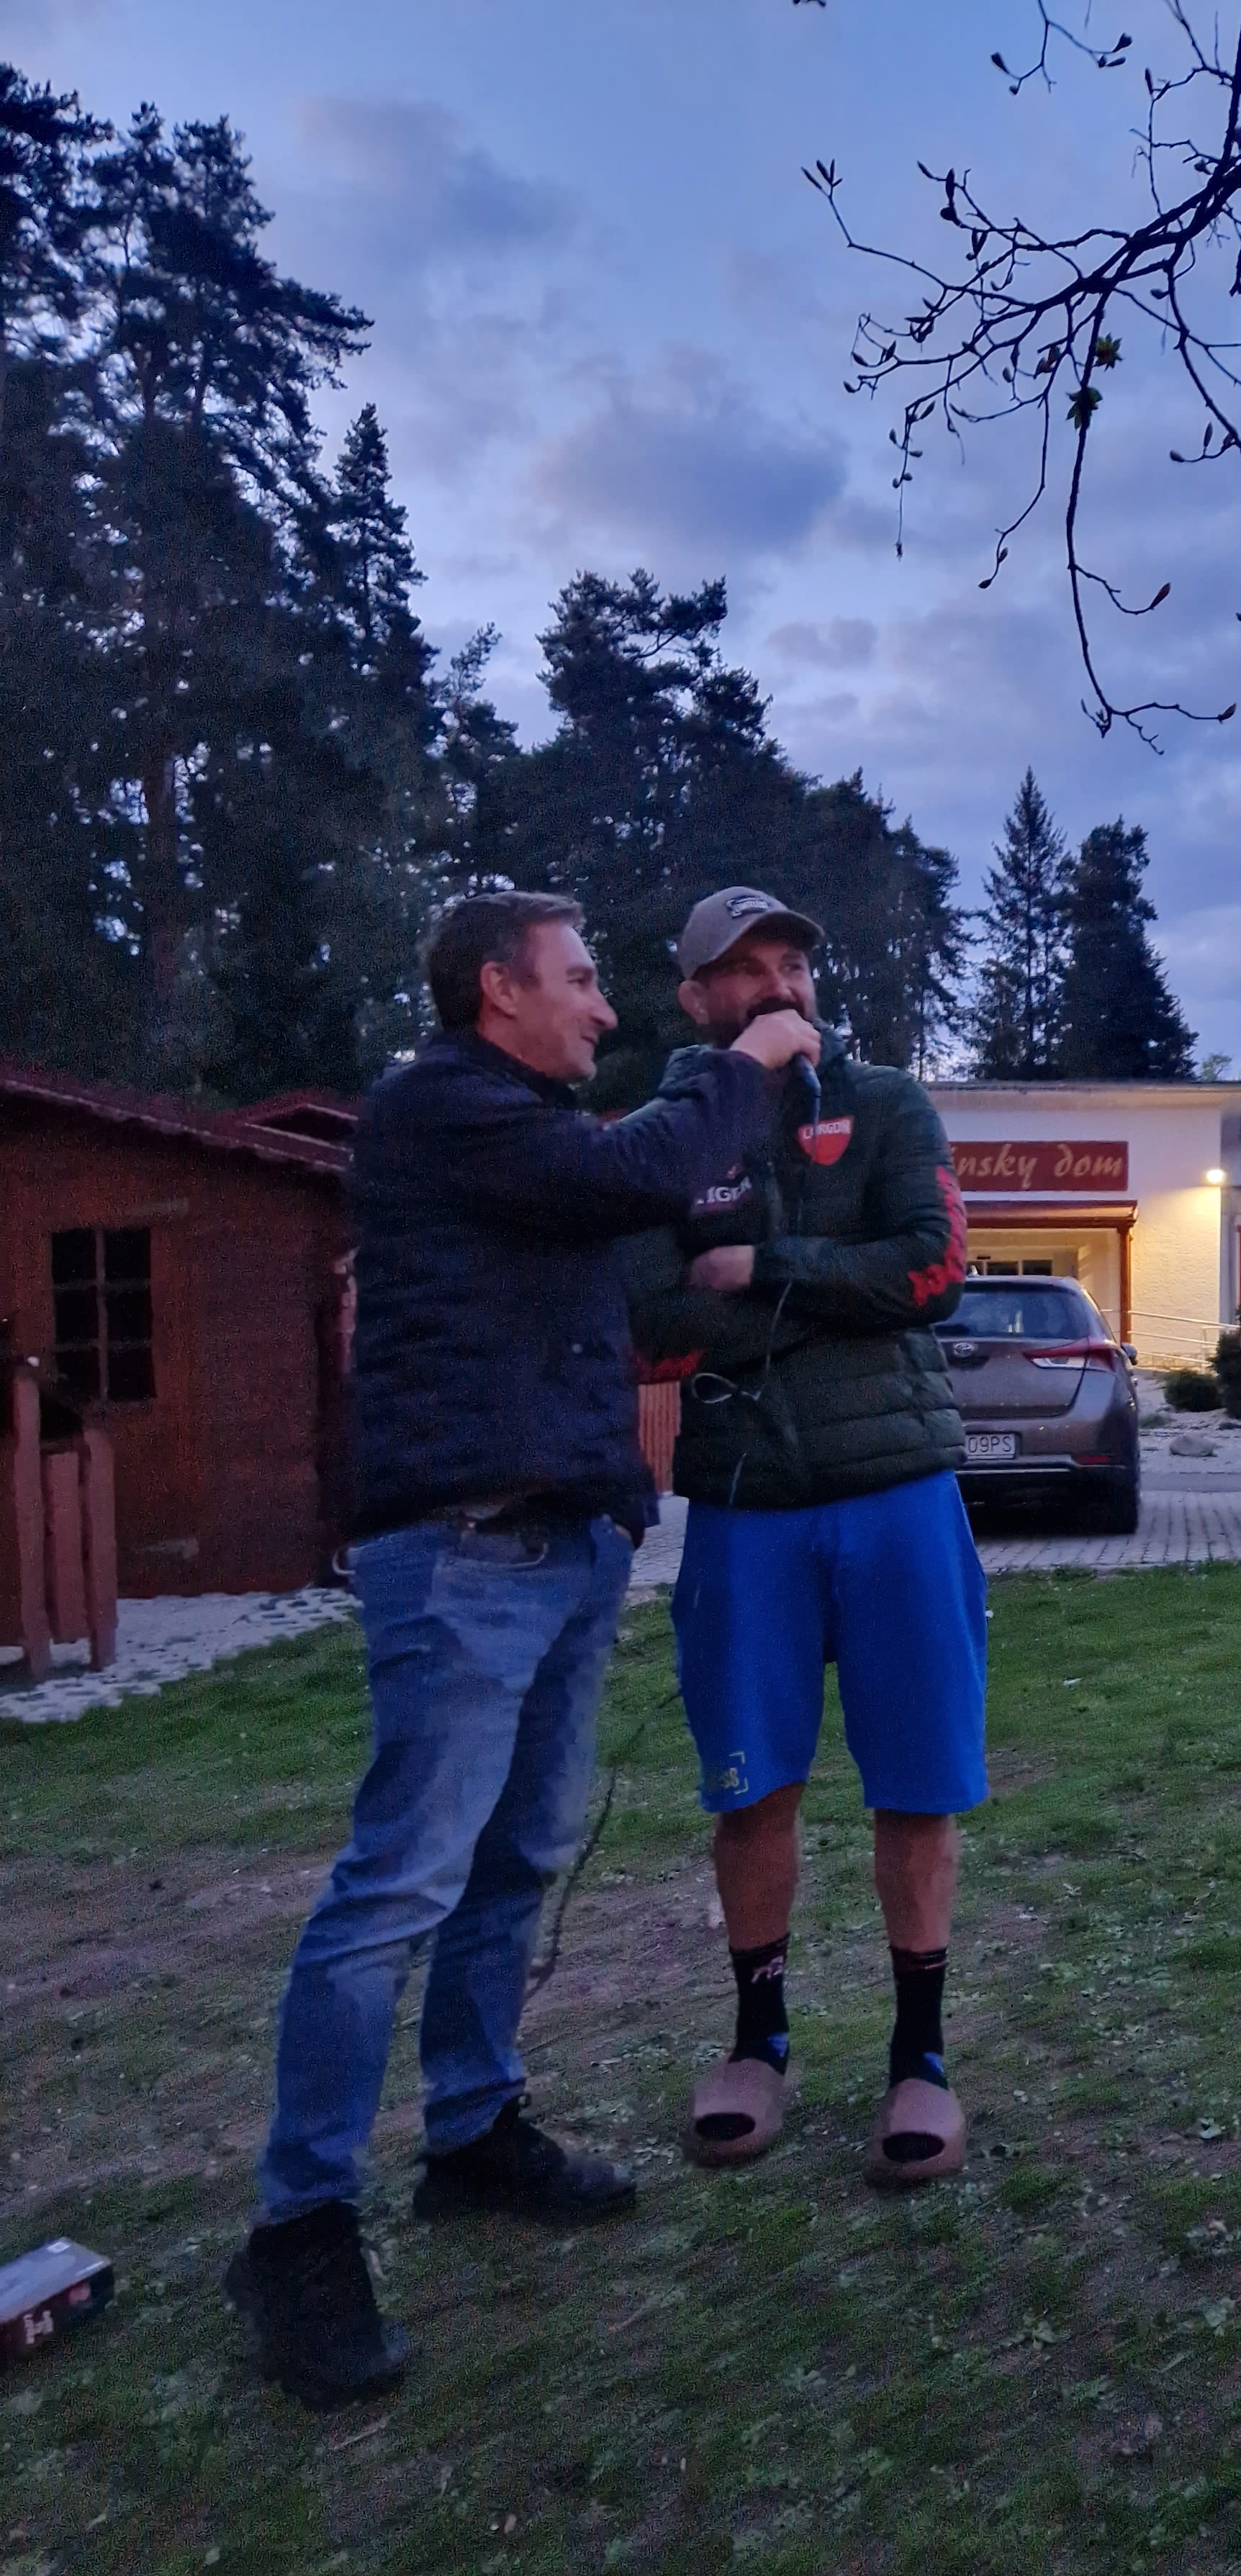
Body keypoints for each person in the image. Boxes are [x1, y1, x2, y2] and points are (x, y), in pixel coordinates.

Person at [225, 891, 813, 2410]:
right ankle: (297, 2226)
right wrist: (739, 1060)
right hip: (468, 1552)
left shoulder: (523, 1131)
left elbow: (666, 1205)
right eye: (580, 981)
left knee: (516, 1860)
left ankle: (473, 2127)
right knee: (401, 1880)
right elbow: (652, 1161)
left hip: (558, 1542)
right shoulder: (444, 1107)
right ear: (497, 990)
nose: (606, 1010)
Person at [624, 887, 982, 2188]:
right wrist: (841, 1291)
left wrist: (764, 1270)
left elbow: (934, 1275)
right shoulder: (661, 1139)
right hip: (742, 1510)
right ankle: (758, 2041)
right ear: (697, 999)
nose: (781, 983)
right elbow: (648, 1326)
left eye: (795, 961)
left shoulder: (886, 1105)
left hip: (897, 1492)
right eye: (747, 967)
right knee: (750, 1784)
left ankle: (921, 2059)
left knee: (918, 1781)